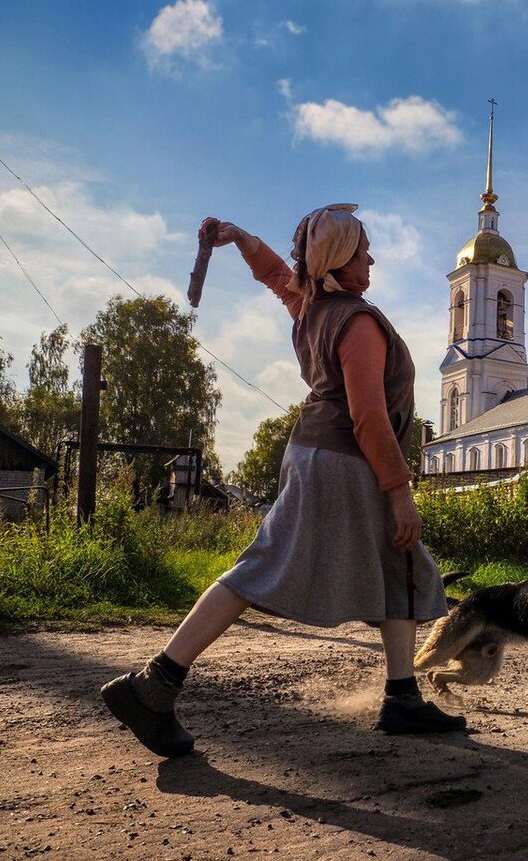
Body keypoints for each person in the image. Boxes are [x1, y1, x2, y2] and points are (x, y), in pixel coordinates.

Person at [101, 204, 465, 757]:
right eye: (363, 251)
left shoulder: (313, 307)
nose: (371, 260)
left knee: (402, 565)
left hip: (322, 456)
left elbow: (277, 274)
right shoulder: (357, 322)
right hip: (342, 461)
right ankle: (155, 683)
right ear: (339, 259)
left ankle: (402, 697)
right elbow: (368, 417)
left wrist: (239, 238)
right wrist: (401, 493)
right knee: (264, 566)